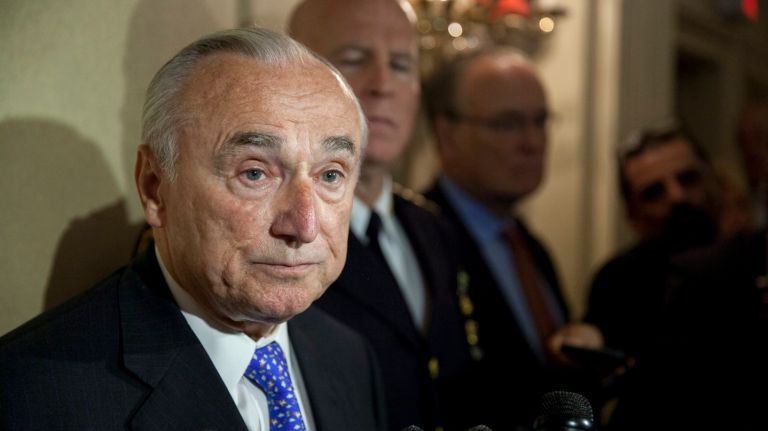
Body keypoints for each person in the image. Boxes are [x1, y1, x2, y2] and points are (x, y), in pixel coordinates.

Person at [0, 27, 387, 431]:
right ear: (155, 188)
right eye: (255, 173)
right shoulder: (30, 394)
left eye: (330, 175)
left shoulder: (349, 355)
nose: (304, 226)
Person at [289, 1, 481, 430]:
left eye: (401, 65)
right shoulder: (283, 235)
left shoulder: (436, 230)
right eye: (354, 60)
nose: (382, 85)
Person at [423, 46, 600, 429]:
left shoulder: (529, 247)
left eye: (540, 121)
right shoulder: (419, 240)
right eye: (508, 124)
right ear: (446, 134)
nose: (532, 142)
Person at [582, 121, 723, 360]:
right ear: (632, 214)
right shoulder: (618, 283)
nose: (677, 196)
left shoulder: (757, 255)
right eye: (654, 192)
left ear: (712, 178)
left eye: (687, 179)